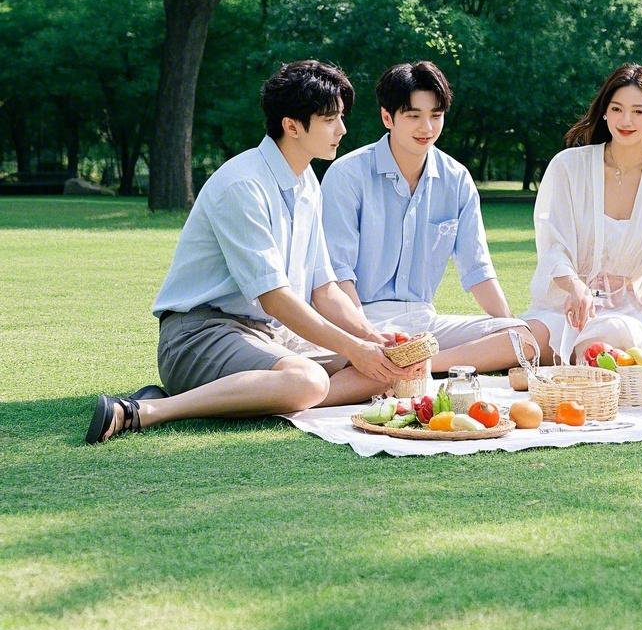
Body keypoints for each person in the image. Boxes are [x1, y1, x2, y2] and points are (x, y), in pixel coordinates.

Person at [86, 60, 417, 445]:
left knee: (393, 368)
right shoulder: (242, 184)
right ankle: (148, 409)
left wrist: (372, 338)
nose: (342, 129)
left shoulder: (307, 183)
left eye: (341, 117)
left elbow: (324, 289)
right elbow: (274, 298)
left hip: (270, 337)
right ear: (292, 126)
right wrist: (353, 348)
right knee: (308, 381)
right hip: (200, 334)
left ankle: (259, 395)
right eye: (330, 119)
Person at [320, 61, 533, 374]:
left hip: (425, 325)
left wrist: (507, 325)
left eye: (436, 115)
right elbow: (339, 275)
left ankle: (419, 367)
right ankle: (391, 366)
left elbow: (477, 270)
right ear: (387, 117)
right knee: (364, 357)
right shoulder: (347, 175)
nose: (427, 128)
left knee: (525, 338)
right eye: (414, 116)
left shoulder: (456, 179)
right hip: (360, 320)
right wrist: (367, 337)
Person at [523, 63, 642, 365]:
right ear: (604, 112)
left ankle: (581, 370)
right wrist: (575, 287)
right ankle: (434, 362)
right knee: (524, 339)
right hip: (567, 304)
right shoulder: (567, 166)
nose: (626, 120)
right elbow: (552, 245)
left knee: (611, 334)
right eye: (616, 109)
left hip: (626, 316)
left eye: (638, 111)